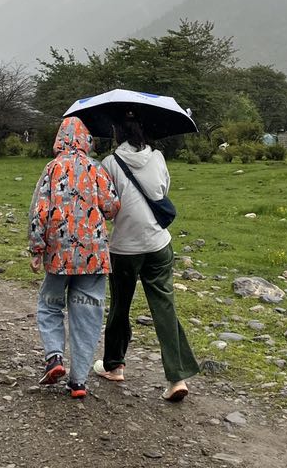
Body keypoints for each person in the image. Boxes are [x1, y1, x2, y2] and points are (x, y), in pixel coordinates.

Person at [95, 115, 199, 401]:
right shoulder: (158, 157)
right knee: (164, 307)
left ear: (118, 134)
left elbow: (108, 208)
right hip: (158, 244)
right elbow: (163, 191)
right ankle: (176, 378)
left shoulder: (109, 163)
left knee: (120, 305)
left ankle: (114, 366)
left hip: (124, 248)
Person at [28, 116, 120, 399]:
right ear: (86, 140)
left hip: (58, 257)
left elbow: (39, 210)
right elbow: (111, 206)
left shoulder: (52, 169)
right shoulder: (96, 169)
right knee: (87, 315)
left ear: (60, 139)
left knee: (50, 305)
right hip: (93, 256)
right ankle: (78, 381)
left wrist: (36, 248)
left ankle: (55, 357)